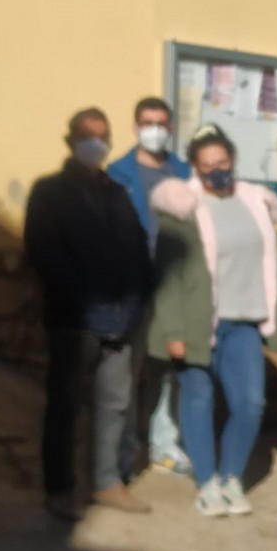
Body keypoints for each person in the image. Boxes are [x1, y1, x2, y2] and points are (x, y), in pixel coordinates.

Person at [147, 124, 277, 517]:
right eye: (206, 165)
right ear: (195, 166)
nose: (215, 170)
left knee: (251, 403)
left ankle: (231, 478)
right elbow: (168, 275)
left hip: (245, 320)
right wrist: (173, 330)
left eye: (221, 162)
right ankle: (206, 483)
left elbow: (270, 264)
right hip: (196, 322)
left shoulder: (255, 202)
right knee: (199, 399)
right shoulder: (182, 206)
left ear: (233, 161)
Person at [24, 108, 154, 520]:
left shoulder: (116, 192)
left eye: (103, 136)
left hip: (121, 318)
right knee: (64, 406)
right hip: (74, 320)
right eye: (87, 135)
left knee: (115, 403)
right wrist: (86, 299)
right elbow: (44, 252)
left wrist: (135, 300)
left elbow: (136, 249)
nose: (95, 144)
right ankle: (59, 488)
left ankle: (106, 482)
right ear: (70, 140)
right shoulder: (48, 192)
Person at [107, 97, 193, 477]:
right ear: (135, 126)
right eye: (147, 122)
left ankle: (164, 444)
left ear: (171, 128)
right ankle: (124, 454)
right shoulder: (118, 175)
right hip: (133, 289)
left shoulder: (185, 173)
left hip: (176, 287)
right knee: (127, 375)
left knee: (170, 370)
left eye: (161, 122)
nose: (154, 129)